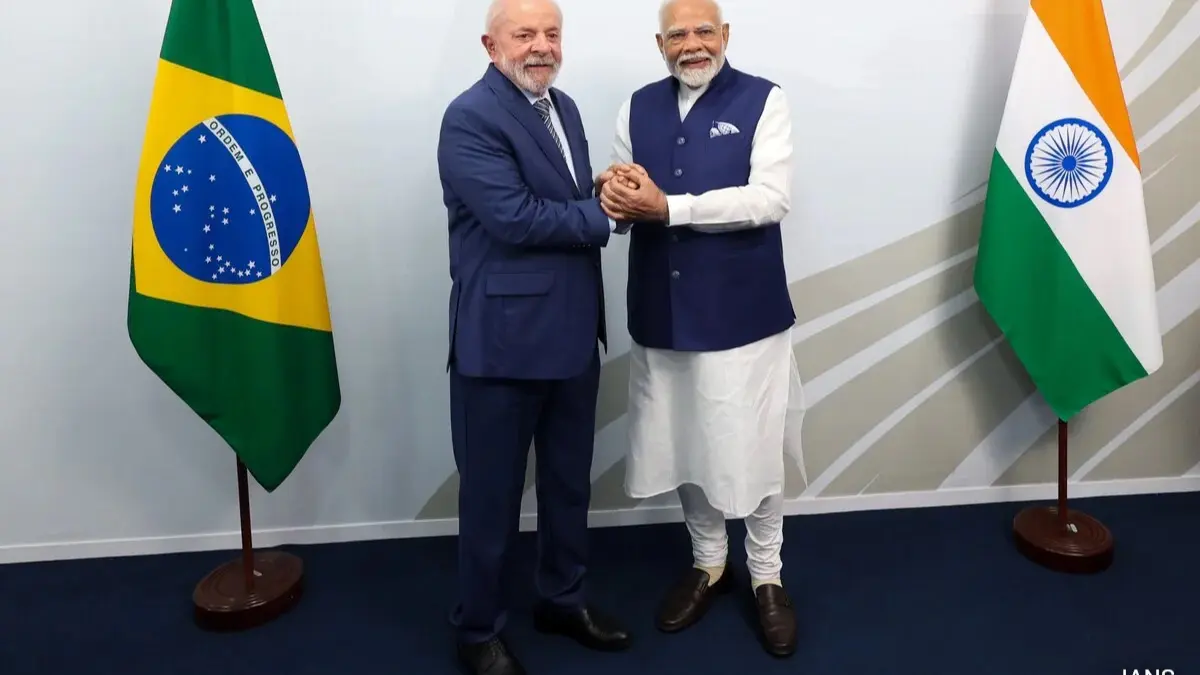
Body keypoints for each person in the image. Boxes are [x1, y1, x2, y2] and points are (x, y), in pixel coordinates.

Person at [595, 0, 806, 658]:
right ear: (660, 43)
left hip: (745, 315)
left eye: (703, 31)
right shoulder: (637, 106)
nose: (692, 44)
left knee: (755, 445)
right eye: (678, 34)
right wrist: (617, 197)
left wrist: (668, 205)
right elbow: (626, 205)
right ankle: (709, 562)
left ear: (725, 36)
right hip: (661, 310)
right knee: (684, 439)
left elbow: (771, 197)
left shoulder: (764, 100)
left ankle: (768, 575)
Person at [436, 0, 632, 673]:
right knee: (491, 500)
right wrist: (607, 212)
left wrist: (609, 190)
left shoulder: (566, 107)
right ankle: (478, 629)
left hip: (574, 336)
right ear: (491, 44)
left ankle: (562, 597)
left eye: (552, 34)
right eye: (525, 35)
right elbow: (515, 218)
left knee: (568, 485)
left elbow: (564, 198)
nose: (541, 46)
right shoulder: (469, 117)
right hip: (502, 344)